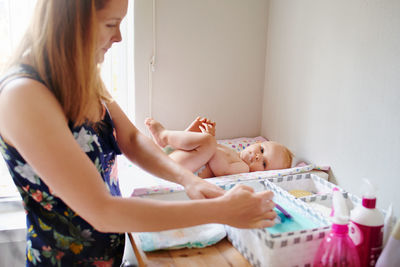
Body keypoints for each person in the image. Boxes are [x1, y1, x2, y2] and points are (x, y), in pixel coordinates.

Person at [0, 1, 277, 266]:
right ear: (71, 22)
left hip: (108, 255)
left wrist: (186, 179)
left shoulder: (80, 75)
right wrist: (222, 211)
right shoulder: (23, 96)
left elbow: (130, 139)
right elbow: (103, 212)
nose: (119, 37)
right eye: (111, 24)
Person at [145, 117, 293, 178]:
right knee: (202, 142)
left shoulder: (243, 168)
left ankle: (164, 136)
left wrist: (209, 142)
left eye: (264, 163)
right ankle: (171, 140)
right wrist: (202, 137)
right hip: (175, 159)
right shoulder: (233, 152)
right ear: (256, 143)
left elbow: (221, 170)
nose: (257, 157)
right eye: (261, 150)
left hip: (180, 168)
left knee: (207, 143)